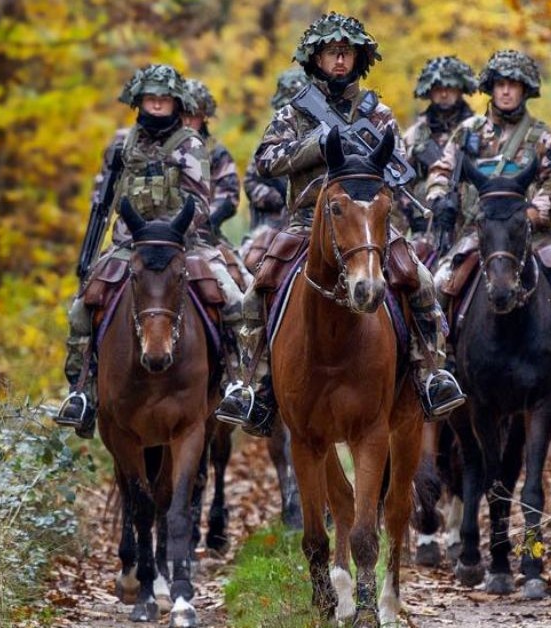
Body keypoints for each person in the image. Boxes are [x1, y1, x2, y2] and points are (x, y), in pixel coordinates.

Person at [214, 12, 466, 432]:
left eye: (346, 53)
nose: (339, 61)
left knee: (419, 279)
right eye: (332, 53)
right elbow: (266, 160)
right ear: (316, 59)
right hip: (306, 222)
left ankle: (431, 373)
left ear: (358, 59)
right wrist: (315, 145)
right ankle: (250, 385)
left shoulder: (379, 113)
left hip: (367, 222)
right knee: (255, 292)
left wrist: (367, 163)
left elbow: (400, 165)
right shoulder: (295, 113)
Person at [54, 64, 246, 435]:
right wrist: (96, 247)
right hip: (128, 245)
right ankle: (82, 392)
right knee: (81, 307)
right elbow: (102, 198)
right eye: (151, 99)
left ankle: (237, 384)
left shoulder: (191, 144)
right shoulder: (121, 143)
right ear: (140, 101)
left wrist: (167, 232)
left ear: (176, 103)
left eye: (164, 100)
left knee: (235, 299)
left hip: (182, 245)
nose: (157, 106)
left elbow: (201, 203)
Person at [424, 50, 551, 403]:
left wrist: (530, 214)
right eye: (500, 85)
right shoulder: (466, 133)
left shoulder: (545, 137)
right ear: (490, 89)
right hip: (479, 233)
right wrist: (440, 200)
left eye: (513, 85)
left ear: (525, 90)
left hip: (533, 233)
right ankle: (444, 366)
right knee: (438, 286)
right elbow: (439, 172)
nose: (506, 92)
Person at [400, 56, 478, 236]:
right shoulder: (414, 136)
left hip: (471, 228)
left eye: (450, 88)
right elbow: (400, 187)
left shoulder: (479, 131)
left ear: (460, 90)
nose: (444, 94)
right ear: (428, 91)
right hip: (426, 227)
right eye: (438, 89)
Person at [242, 68, 308, 230]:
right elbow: (250, 183)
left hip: (308, 222)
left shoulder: (317, 139)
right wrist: (274, 198)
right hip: (271, 224)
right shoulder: (270, 144)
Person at [182, 79, 241, 237]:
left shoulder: (216, 153)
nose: (187, 122)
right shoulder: (160, 149)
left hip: (203, 231)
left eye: (193, 116)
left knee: (231, 261)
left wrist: (206, 221)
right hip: (160, 232)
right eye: (183, 115)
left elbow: (229, 196)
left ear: (203, 117)